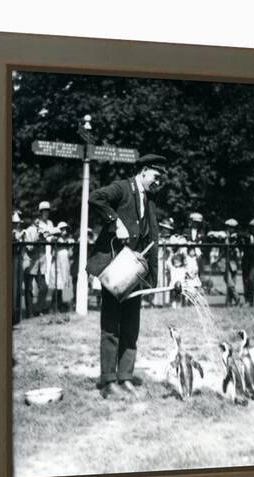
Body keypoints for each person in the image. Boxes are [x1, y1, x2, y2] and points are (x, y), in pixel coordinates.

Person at [87, 153, 166, 398]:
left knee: (131, 326)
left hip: (135, 273)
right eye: (155, 176)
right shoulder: (122, 188)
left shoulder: (149, 199)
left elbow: (150, 236)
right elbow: (95, 197)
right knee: (111, 325)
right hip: (115, 270)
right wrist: (115, 221)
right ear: (143, 171)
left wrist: (150, 277)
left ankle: (125, 377)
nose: (158, 182)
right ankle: (109, 381)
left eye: (161, 178)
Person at [23, 202, 56, 317]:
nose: (37, 221)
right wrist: (38, 239)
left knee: (44, 288)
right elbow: (29, 248)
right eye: (35, 218)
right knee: (29, 289)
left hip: (41, 262)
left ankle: (38, 309)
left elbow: (50, 238)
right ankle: (30, 312)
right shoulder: (29, 230)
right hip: (30, 263)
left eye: (47, 211)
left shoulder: (48, 225)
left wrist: (52, 239)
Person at [48, 221, 74, 312]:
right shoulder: (55, 239)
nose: (64, 231)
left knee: (66, 284)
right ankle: (54, 306)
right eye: (62, 229)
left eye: (65, 229)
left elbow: (70, 254)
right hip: (57, 265)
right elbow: (53, 253)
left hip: (65, 265)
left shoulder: (68, 240)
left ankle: (67, 305)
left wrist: (70, 247)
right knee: (57, 285)